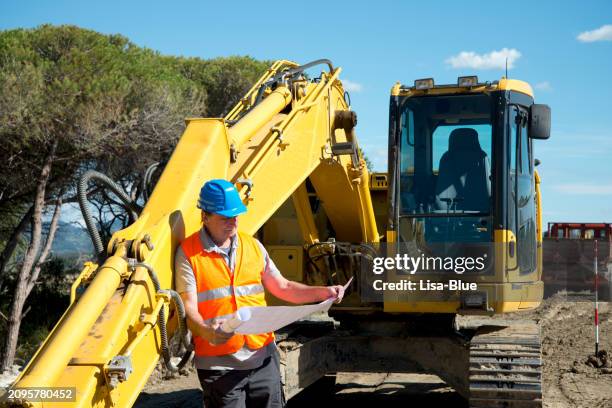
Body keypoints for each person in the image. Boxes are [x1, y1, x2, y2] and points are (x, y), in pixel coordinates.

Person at [175, 179, 345, 408]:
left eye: (236, 216)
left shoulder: (253, 246)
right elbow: (189, 309)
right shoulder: (188, 253)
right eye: (225, 217)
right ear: (205, 216)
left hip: (264, 359)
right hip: (220, 369)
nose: (233, 222)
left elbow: (283, 287)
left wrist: (323, 292)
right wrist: (207, 332)